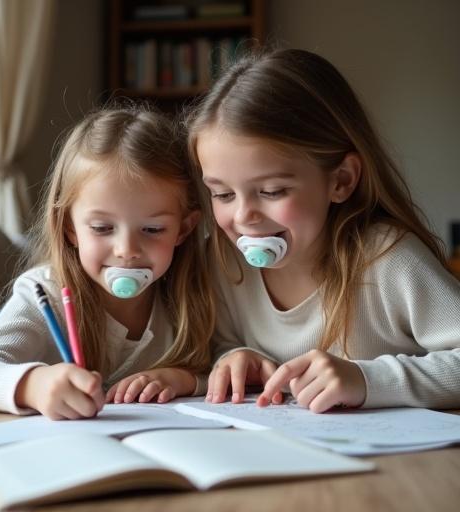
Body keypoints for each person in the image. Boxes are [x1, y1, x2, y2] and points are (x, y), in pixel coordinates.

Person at [187, 47, 460, 413]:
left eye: (272, 191)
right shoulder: (222, 262)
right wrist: (236, 356)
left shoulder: (388, 257)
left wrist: (366, 380)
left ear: (341, 180)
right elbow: (218, 346)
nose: (243, 216)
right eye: (222, 194)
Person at [0, 104, 214, 419]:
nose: (127, 249)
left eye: (153, 229)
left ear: (183, 229)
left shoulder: (191, 296)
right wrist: (35, 384)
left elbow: (224, 363)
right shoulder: (43, 293)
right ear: (69, 228)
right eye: (102, 228)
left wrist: (184, 379)